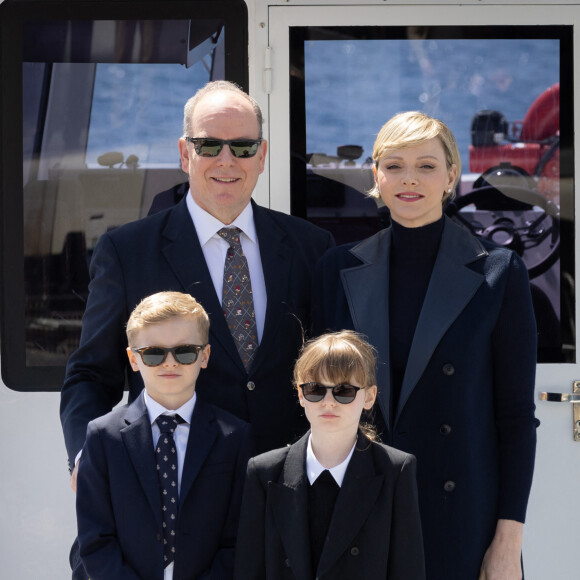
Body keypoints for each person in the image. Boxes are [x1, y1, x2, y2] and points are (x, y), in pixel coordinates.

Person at [61, 79, 334, 477]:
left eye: (242, 146)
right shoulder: (127, 252)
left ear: (262, 155)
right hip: (175, 487)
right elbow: (90, 374)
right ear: (184, 154)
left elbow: (334, 369)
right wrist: (87, 461)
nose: (226, 160)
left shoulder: (312, 247)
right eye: (208, 146)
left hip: (290, 487)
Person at [312, 112, 539, 580]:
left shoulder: (498, 273)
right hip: (357, 511)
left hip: (460, 520)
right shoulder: (336, 270)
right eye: (393, 165)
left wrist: (508, 543)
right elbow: (318, 404)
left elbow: (516, 419)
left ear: (452, 175)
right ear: (376, 175)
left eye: (426, 166)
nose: (409, 179)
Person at [76, 291, 253, 579]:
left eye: (184, 352)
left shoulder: (235, 437)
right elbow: (95, 540)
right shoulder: (102, 437)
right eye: (154, 354)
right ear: (134, 359)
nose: (169, 363)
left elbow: (239, 541)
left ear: (204, 356)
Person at [235, 330, 425, 580]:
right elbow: (250, 571)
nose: (328, 402)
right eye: (315, 389)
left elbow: (407, 571)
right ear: (301, 395)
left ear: (369, 396)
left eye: (344, 391)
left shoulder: (395, 470)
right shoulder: (264, 472)